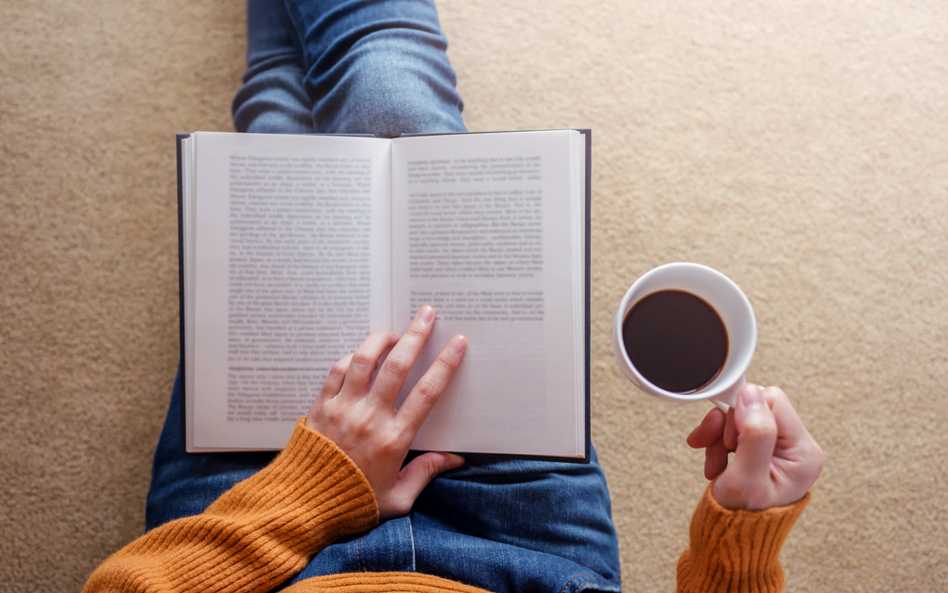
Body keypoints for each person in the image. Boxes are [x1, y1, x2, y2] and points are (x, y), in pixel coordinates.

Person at [83, 1, 823, 591]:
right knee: (387, 98)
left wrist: (313, 488)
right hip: (523, 545)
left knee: (279, 158)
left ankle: (279, 92)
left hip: (266, 528)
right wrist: (743, 533)